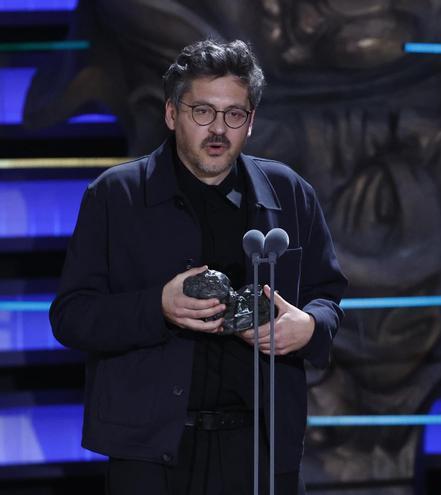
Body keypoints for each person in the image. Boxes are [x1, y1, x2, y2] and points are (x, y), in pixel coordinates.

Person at [49, 39, 347, 494]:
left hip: (261, 450)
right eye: (202, 111)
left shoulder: (289, 193)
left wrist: (308, 327)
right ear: (172, 114)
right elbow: (71, 317)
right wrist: (157, 307)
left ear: (250, 121)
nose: (218, 129)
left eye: (234, 114)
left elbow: (328, 297)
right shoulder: (116, 197)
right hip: (150, 454)